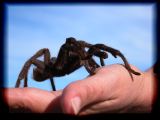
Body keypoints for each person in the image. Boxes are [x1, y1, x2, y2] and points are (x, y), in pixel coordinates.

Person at [3, 63, 158, 114]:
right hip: (44, 71)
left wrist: (142, 87)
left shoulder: (78, 57)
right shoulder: (53, 63)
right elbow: (31, 61)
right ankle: (19, 87)